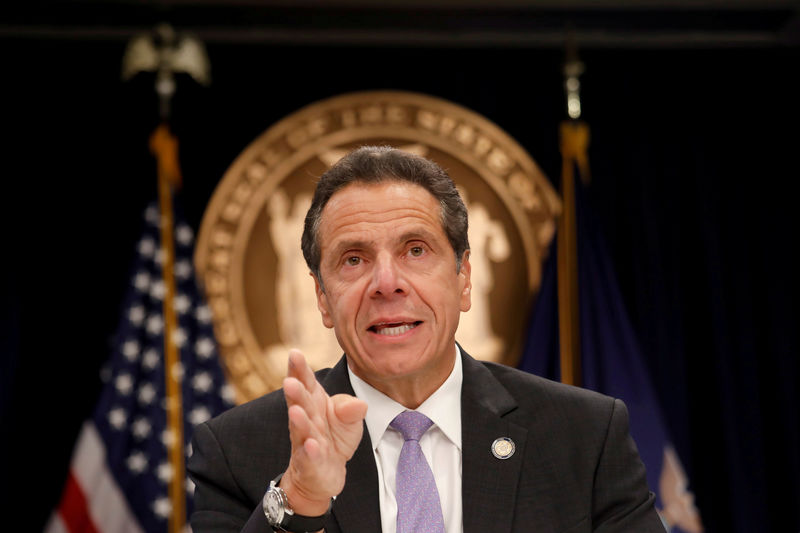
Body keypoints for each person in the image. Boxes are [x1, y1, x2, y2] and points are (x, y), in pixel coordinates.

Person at [187, 145, 666, 532]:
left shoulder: (584, 435)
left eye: (416, 250)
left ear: (464, 279)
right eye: (353, 259)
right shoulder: (237, 451)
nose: (387, 282)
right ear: (322, 299)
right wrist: (302, 498)